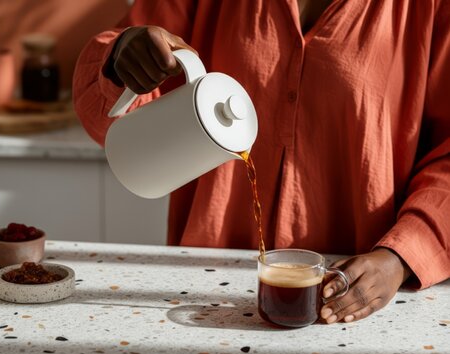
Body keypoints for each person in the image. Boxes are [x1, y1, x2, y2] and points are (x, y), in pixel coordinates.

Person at [73, 0, 450, 324]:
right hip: (203, 296)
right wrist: (122, 56)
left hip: (352, 302)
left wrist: (400, 257)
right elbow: (108, 111)